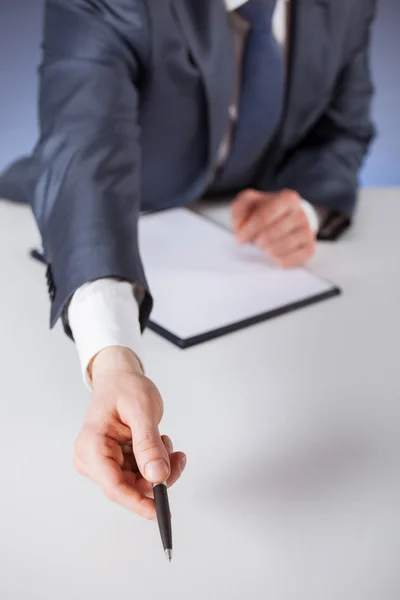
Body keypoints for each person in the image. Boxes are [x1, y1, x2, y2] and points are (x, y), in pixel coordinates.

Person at [0, 0, 376, 521]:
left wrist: (306, 205)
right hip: (95, 213)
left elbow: (343, 132)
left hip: (240, 239)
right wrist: (113, 361)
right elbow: (85, 154)